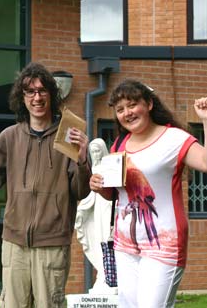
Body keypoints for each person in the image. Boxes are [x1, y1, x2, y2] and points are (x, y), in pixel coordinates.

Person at [0, 62, 91, 307]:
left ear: (51, 95)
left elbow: (81, 191)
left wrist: (82, 158)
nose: (37, 97)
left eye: (42, 90)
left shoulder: (68, 135)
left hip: (53, 244)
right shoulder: (9, 137)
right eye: (30, 92)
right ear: (22, 98)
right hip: (14, 245)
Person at [90, 79, 207, 308]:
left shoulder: (174, 138)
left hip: (164, 244)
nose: (127, 113)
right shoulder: (119, 144)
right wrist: (99, 185)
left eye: (132, 105)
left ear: (149, 104)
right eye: (120, 109)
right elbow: (115, 195)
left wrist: (205, 120)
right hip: (125, 245)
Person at [75, 138, 116, 294]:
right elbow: (90, 192)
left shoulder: (107, 167)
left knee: (108, 238)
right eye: (93, 151)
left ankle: (111, 276)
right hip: (97, 208)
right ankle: (102, 273)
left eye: (98, 150)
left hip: (108, 207)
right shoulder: (92, 169)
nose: (95, 153)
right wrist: (83, 209)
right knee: (99, 239)